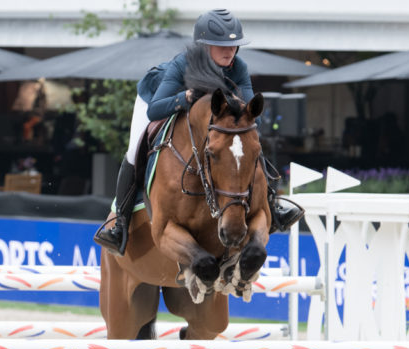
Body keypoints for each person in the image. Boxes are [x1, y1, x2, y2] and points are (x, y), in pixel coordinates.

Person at [94, 8, 303, 256]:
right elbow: (155, 110)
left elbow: (246, 115)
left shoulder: (238, 67)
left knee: (245, 138)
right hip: (157, 98)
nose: (230, 51)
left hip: (208, 115)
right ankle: (120, 222)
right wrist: (186, 97)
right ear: (204, 45)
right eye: (221, 46)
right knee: (133, 150)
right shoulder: (182, 64)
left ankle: (272, 204)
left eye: (234, 45)